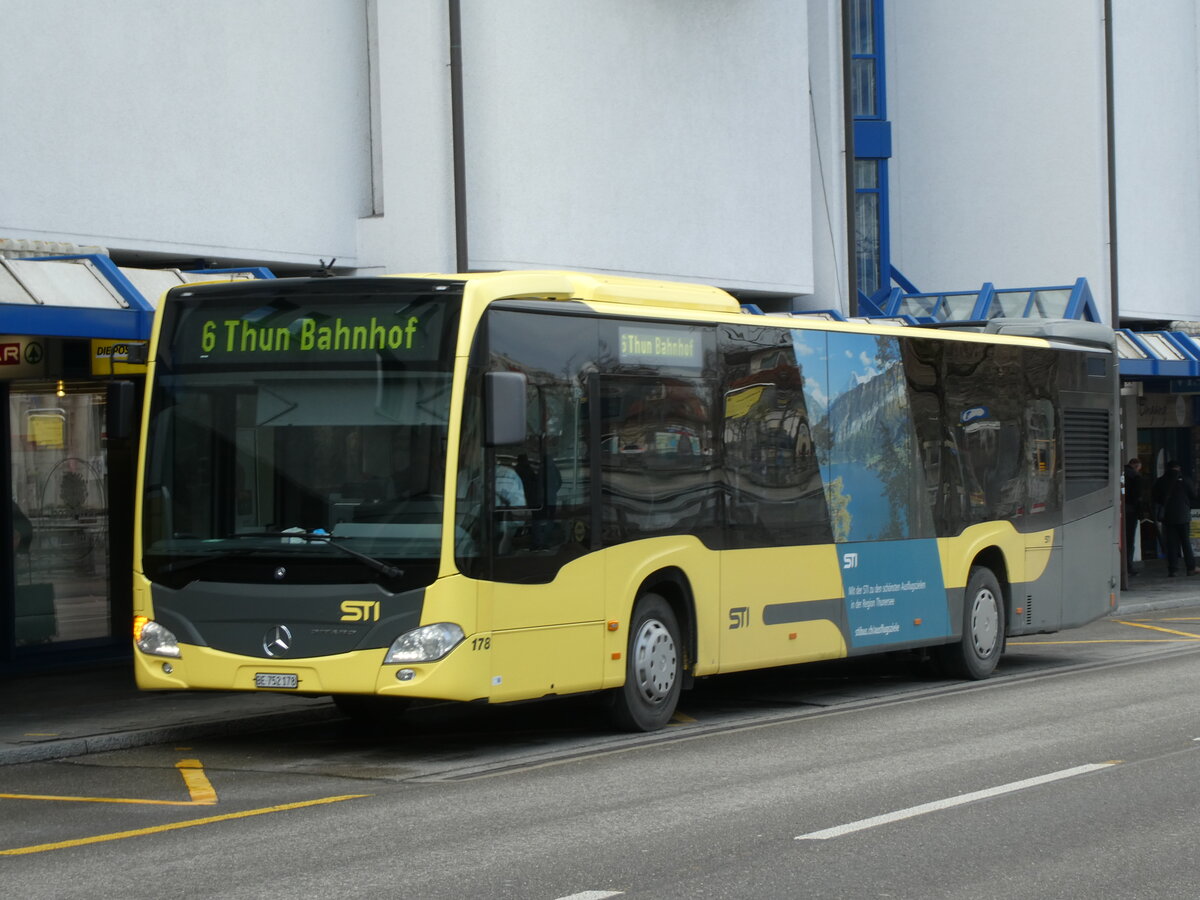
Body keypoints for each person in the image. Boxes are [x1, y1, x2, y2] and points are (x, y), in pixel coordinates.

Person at [1153, 460, 1198, 576]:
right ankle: (1191, 568)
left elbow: (1156, 498)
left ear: (1167, 468)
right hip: (1183, 515)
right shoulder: (1185, 480)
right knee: (1186, 542)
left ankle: (1173, 569)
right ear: (1178, 468)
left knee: (1171, 543)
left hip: (1168, 516)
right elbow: (1193, 495)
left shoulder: (1160, 481)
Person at [1123, 457, 1143, 574]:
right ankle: (1128, 566)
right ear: (1136, 466)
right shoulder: (1135, 477)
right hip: (1131, 511)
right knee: (1130, 540)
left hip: (1122, 510)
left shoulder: (1121, 473)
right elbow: (1138, 496)